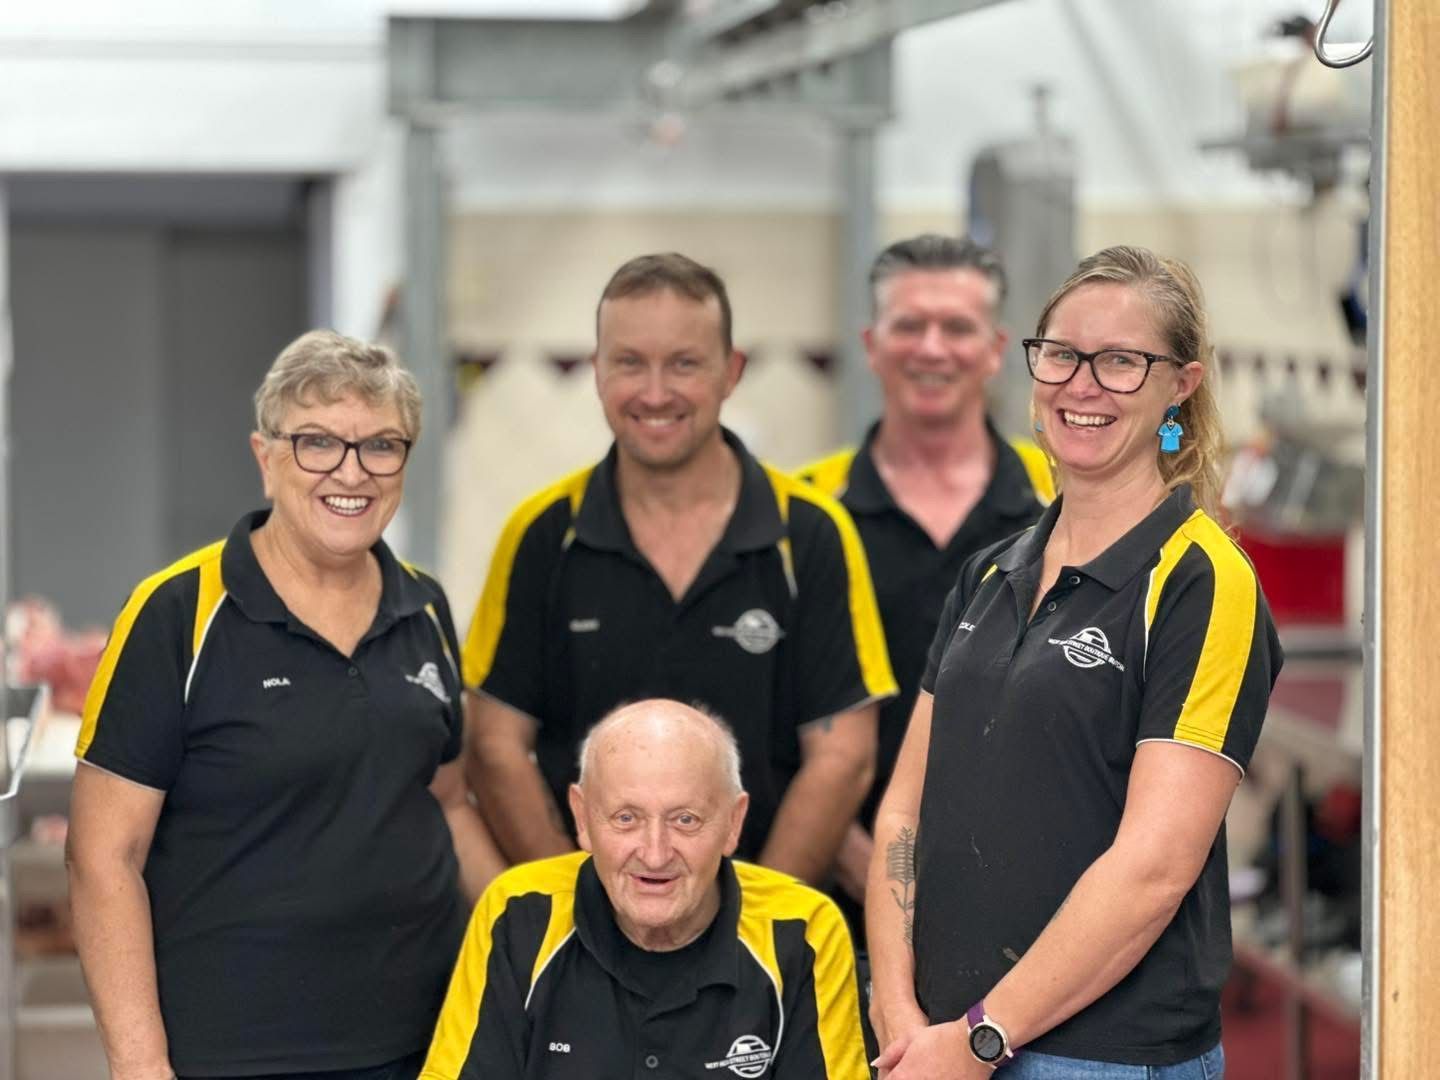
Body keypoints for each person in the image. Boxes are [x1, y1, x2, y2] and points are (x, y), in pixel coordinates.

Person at [867, 246, 1283, 1079]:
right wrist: (898, 1006)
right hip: (936, 1045)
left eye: (1122, 362)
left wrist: (985, 1037)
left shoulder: (1201, 582)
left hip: (1099, 1059)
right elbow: (903, 813)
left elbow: (1152, 870)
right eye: (1061, 354)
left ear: (1181, 385)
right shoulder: (993, 570)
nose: (1082, 385)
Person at [67, 330, 505, 1080]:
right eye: (317, 443)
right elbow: (104, 857)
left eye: (380, 446)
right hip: (236, 1052)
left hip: (428, 1040)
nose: (352, 471)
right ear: (265, 458)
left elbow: (448, 798)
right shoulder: (178, 613)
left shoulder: (425, 606)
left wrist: (531, 921)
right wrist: (140, 1065)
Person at [461, 252, 896, 885]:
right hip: (585, 935)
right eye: (629, 362)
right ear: (597, 371)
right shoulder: (541, 535)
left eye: (684, 364)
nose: (655, 392)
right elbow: (495, 745)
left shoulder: (810, 535)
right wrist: (572, 906)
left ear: (731, 371)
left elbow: (842, 757)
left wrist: (756, 925)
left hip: (762, 926)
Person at [797, 234, 1052, 907]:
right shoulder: (804, 518)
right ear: (871, 343)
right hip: (842, 897)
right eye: (909, 325)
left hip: (1032, 897)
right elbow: (777, 714)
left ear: (996, 350)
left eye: (957, 327)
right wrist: (870, 868)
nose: (932, 348)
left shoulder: (1060, 506)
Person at [420, 699, 870, 1079]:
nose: (654, 854)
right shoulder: (516, 914)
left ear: (733, 824)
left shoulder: (802, 931)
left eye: (685, 820)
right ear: (581, 818)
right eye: (626, 818)